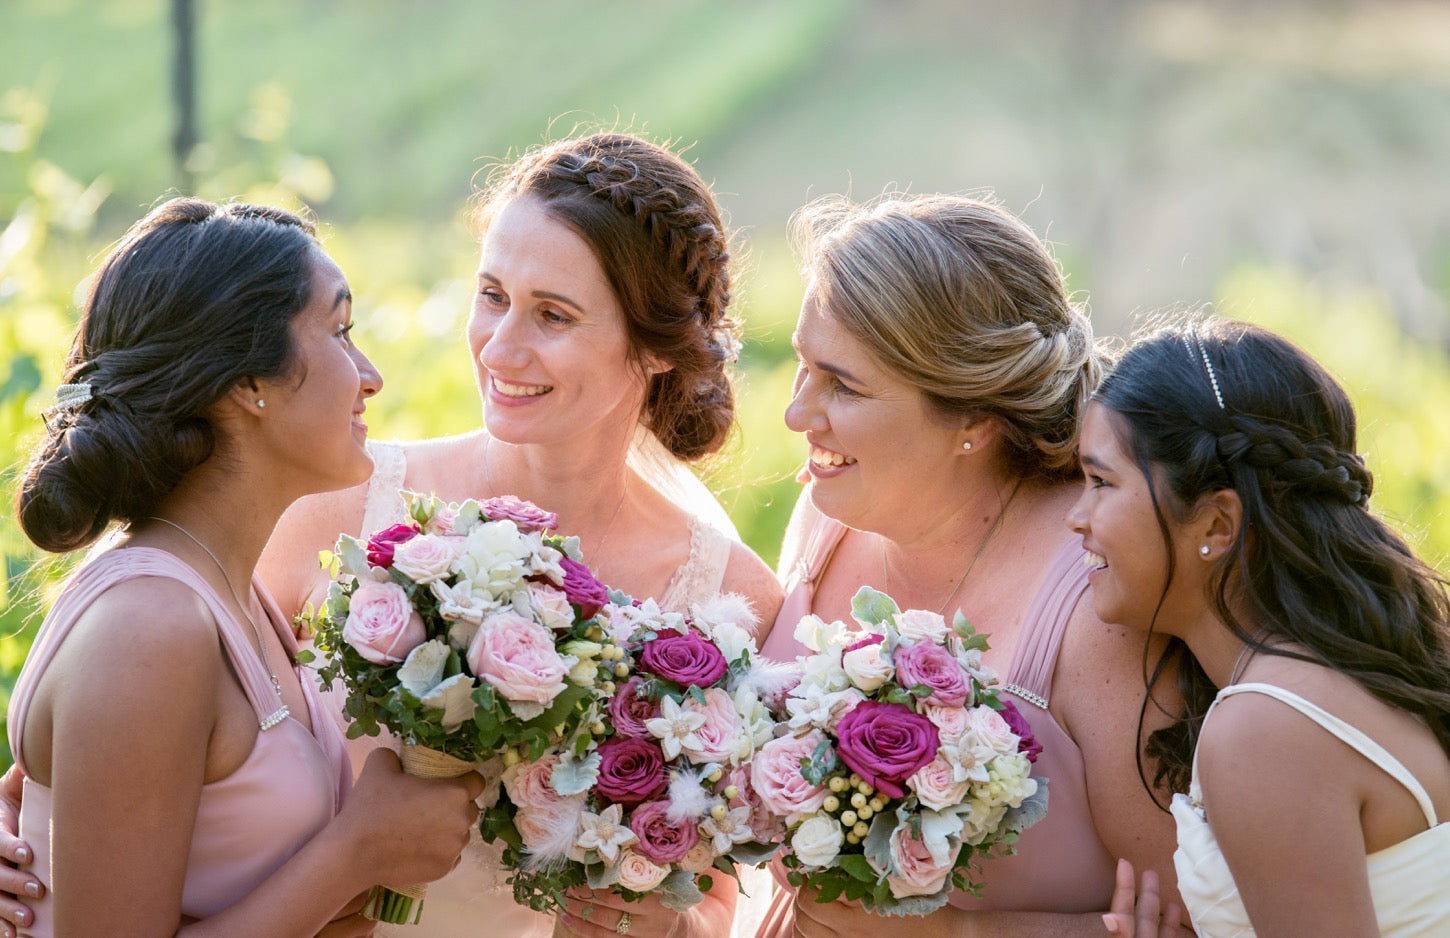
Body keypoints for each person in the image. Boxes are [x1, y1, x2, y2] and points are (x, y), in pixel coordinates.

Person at [258, 132, 783, 938]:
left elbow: (711, 901)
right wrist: (28, 807)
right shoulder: (333, 510)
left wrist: (666, 928)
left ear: (655, 349)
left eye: (554, 315)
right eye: (494, 294)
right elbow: (177, 713)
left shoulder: (728, 600)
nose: (501, 347)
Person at [5, 197, 484, 937]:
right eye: (341, 330)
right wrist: (355, 853)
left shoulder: (235, 594)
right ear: (245, 383)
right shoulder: (150, 626)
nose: (371, 375)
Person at [755, 193, 1185, 937]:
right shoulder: (826, 513)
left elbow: (1184, 920)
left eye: (843, 385)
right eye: (802, 366)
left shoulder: (1094, 598)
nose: (797, 414)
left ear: (974, 424)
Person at [1073, 319, 1450, 936]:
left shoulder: (1266, 726)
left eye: (1100, 483)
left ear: (1218, 526)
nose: (1075, 518)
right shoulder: (1339, 676)